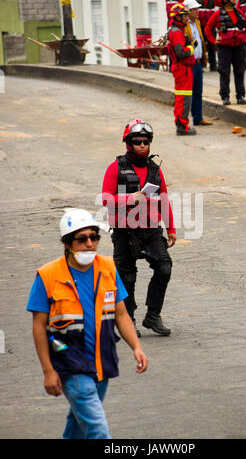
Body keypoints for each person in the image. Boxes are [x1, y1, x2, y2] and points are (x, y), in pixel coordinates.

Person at [26, 208, 148, 439]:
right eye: (82, 239)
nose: (90, 244)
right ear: (67, 243)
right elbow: (38, 328)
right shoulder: (47, 276)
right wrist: (48, 371)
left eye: (94, 237)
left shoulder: (108, 268)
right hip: (70, 364)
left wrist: (137, 347)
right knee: (98, 430)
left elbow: (121, 314)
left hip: (102, 363)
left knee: (78, 426)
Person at [102, 119, 176, 337]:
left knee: (164, 268)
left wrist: (170, 228)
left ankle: (153, 316)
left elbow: (164, 198)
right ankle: (128, 321)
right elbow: (106, 198)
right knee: (127, 277)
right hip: (125, 231)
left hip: (151, 229)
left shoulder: (155, 170)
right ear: (128, 143)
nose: (142, 145)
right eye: (137, 142)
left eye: (145, 141)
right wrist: (129, 198)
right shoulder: (116, 168)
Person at [205, 0, 246, 106]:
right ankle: (225, 96)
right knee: (224, 72)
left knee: (240, 71)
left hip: (239, 47)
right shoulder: (217, 14)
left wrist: (245, 38)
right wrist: (214, 40)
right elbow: (207, 29)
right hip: (225, 48)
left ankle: (240, 96)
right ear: (225, 0)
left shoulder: (239, 12)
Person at [168, 3, 197, 135]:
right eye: (184, 15)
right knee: (184, 98)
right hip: (182, 69)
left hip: (182, 69)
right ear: (177, 17)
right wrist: (191, 48)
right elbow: (180, 52)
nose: (187, 18)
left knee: (182, 97)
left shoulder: (177, 30)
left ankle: (181, 124)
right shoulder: (178, 32)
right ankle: (182, 126)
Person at [184, 0, 213, 127]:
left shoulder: (197, 23)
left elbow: (200, 41)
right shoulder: (184, 26)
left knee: (198, 91)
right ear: (188, 11)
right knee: (188, 92)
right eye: (195, 9)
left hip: (197, 62)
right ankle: (185, 120)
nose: (198, 11)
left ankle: (198, 117)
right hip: (189, 63)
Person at [192, 0, 221, 71]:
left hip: (211, 26)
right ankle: (200, 66)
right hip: (199, 26)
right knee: (200, 45)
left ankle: (213, 66)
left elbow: (222, 6)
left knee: (212, 45)